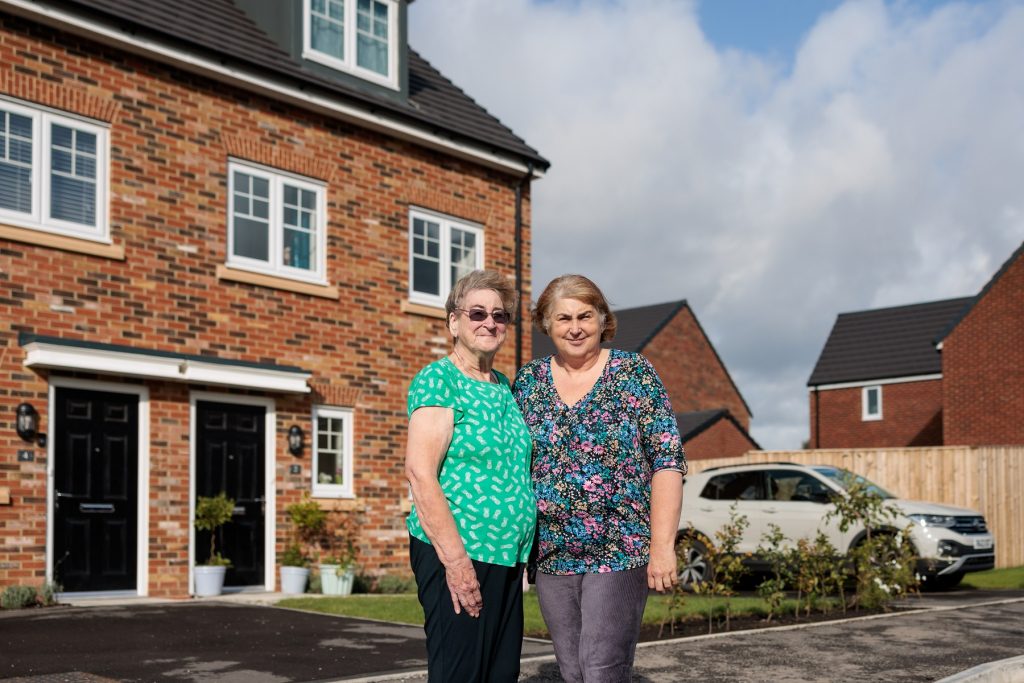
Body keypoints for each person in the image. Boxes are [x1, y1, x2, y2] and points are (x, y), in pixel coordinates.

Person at [513, 274, 686, 683]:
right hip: (553, 554)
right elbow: (515, 469)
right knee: (572, 669)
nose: (575, 327)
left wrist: (662, 546)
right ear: (547, 324)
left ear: (602, 318)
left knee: (602, 667)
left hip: (619, 548)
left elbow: (667, 462)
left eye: (585, 315)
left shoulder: (634, 374)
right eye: (563, 318)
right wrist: (519, 551)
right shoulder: (528, 383)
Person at [404, 269, 536, 682]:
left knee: (499, 674)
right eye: (477, 312)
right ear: (453, 322)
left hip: (505, 556)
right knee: (459, 674)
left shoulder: (503, 386)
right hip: (459, 551)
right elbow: (420, 474)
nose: (490, 322)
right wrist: (456, 562)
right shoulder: (439, 379)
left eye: (500, 316)